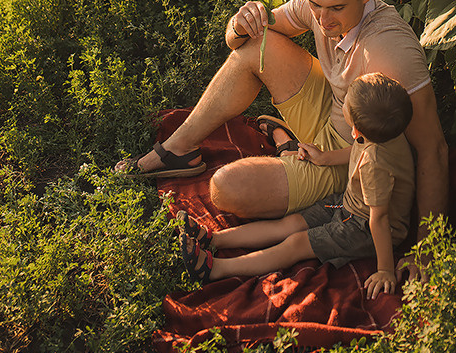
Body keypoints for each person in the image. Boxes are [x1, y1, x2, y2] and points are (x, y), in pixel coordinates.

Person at [115, 0, 448, 276]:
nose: (324, 19)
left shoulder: (392, 53)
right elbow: (240, 40)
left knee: (225, 188)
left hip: (355, 153)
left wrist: (427, 248)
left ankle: (282, 153)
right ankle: (178, 149)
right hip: (333, 111)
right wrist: (238, 23)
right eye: (316, 5)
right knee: (259, 42)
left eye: (336, 9)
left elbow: (432, 148)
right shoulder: (318, 8)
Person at [178, 73, 415, 299]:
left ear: (355, 130)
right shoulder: (385, 133)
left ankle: (214, 269)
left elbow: (379, 219)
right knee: (290, 224)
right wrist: (323, 158)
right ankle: (214, 240)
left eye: (347, 103)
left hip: (363, 227)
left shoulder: (374, 166)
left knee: (296, 243)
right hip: (348, 203)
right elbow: (358, 149)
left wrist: (384, 268)